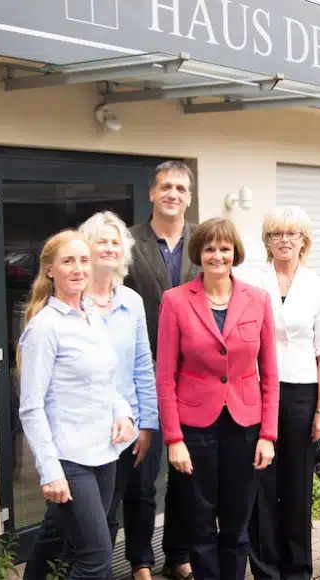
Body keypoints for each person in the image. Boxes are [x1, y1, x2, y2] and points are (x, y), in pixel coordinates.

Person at [156, 217, 279, 580]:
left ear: (235, 253)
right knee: (200, 523)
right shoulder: (175, 301)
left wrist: (268, 435)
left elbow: (269, 374)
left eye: (224, 248)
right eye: (209, 248)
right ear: (199, 253)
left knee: (237, 525)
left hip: (245, 425)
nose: (217, 255)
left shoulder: (258, 300)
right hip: (195, 429)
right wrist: (174, 439)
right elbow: (165, 377)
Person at [19, 230, 135, 579]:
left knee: (56, 538)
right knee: (95, 558)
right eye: (68, 261)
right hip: (70, 458)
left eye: (83, 260)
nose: (78, 268)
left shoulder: (93, 316)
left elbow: (107, 383)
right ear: (50, 270)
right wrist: (49, 470)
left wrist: (123, 413)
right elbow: (31, 407)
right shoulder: (45, 327)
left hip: (105, 453)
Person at [244, 206, 320, 580]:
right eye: (276, 234)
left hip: (301, 394)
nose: (284, 240)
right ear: (267, 241)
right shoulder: (249, 279)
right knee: (261, 483)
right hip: (256, 391)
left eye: (292, 234)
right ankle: (265, 569)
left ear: (304, 241)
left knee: (297, 486)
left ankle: (297, 570)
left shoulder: (318, 287)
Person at [125, 160, 199, 580]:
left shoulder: (203, 242)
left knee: (185, 473)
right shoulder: (129, 243)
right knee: (142, 475)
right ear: (151, 193)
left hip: (193, 377)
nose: (173, 194)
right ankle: (140, 559)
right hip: (143, 374)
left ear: (189, 197)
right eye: (165, 187)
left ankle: (178, 554)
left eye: (181, 188)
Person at [79, 211, 158, 580]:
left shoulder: (132, 301)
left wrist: (147, 424)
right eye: (101, 241)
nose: (109, 248)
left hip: (130, 425)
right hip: (88, 427)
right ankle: (98, 570)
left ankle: (136, 565)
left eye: (115, 242)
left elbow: (143, 365)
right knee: (100, 512)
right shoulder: (72, 302)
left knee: (138, 497)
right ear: (86, 248)